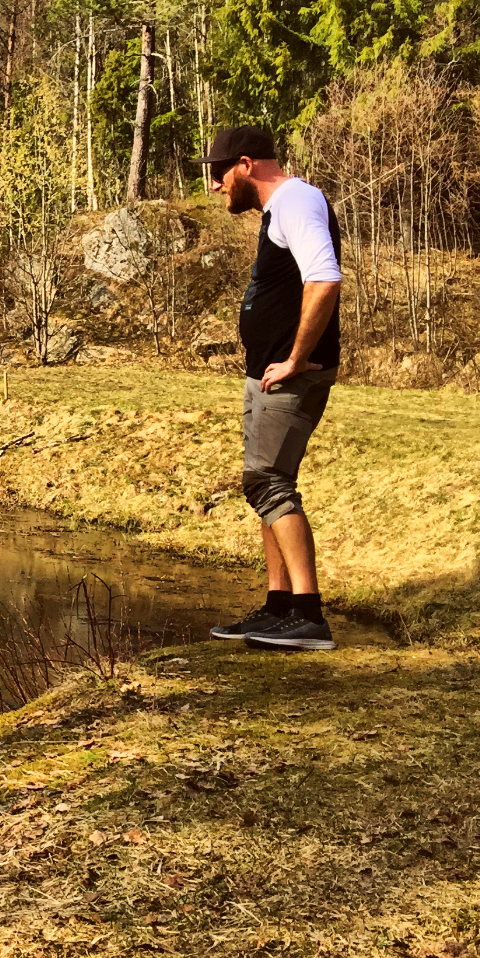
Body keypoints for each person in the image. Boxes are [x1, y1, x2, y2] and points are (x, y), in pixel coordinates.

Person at [191, 125, 342, 650]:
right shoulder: (279, 210)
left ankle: (308, 615)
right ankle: (279, 607)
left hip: (292, 375)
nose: (214, 185)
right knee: (266, 486)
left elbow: (324, 278)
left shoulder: (297, 200)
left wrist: (297, 357)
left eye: (217, 173)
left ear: (246, 164)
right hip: (267, 374)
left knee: (266, 480)